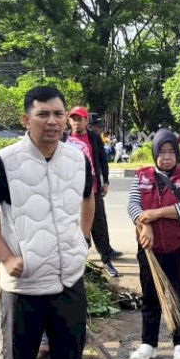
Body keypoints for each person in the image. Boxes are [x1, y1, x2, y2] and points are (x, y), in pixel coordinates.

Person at [0, 85, 95, 359]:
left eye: (58, 114)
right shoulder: (5, 162)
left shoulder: (77, 159)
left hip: (69, 283)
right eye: (43, 114)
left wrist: (82, 239)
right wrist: (6, 257)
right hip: (24, 287)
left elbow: (88, 197)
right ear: (26, 120)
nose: (52, 121)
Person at [126, 130, 180, 359]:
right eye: (162, 152)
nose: (166, 157)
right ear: (155, 153)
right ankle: (149, 343)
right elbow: (132, 206)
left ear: (177, 153)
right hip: (150, 249)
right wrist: (144, 224)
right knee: (150, 296)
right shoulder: (141, 176)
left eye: (171, 152)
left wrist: (155, 214)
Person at [64, 106, 123, 277]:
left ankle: (107, 261)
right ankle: (79, 262)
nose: (76, 122)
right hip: (72, 193)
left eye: (79, 119)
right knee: (77, 227)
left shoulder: (94, 138)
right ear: (69, 121)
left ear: (85, 121)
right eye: (73, 119)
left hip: (94, 190)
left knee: (99, 225)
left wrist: (106, 181)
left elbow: (102, 162)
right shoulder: (64, 140)